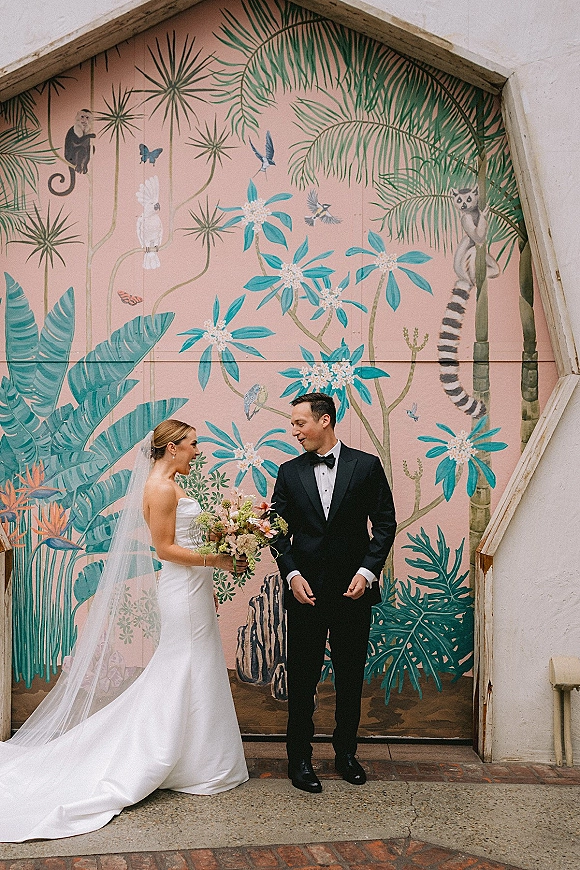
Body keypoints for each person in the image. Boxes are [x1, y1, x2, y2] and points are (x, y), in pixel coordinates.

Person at [0, 420, 248, 842]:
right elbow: (165, 548)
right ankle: (169, 755)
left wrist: (218, 560)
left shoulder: (170, 484)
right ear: (172, 448)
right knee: (183, 666)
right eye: (192, 444)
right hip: (182, 591)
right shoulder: (161, 488)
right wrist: (218, 561)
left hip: (192, 589)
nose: (197, 451)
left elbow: (185, 539)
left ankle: (196, 757)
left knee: (195, 666)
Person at [271, 393, 396, 793]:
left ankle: (346, 755)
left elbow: (385, 523)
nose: (294, 431)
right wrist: (291, 574)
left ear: (324, 421)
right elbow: (276, 531)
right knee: (302, 680)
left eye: (300, 423)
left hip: (351, 594)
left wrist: (367, 571)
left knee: (350, 678)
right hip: (305, 593)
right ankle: (299, 759)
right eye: (293, 424)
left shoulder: (366, 466)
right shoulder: (288, 472)